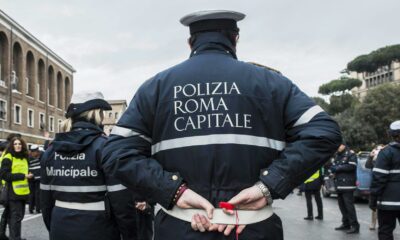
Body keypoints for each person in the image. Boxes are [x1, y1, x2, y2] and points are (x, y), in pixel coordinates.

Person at [102, 10, 341, 240]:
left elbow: (116, 152)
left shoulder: (156, 87)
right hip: (254, 229)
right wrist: (268, 186)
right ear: (235, 39)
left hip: (179, 229)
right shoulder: (272, 83)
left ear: (190, 43)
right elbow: (324, 133)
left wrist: (173, 192)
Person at [40, 91, 137, 240]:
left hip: (60, 227)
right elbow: (121, 203)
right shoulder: (105, 148)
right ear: (98, 114)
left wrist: (54, 227)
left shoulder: (51, 151)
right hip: (98, 228)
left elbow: (45, 203)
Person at [369, 120, 400, 240]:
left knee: (385, 232)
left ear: (392, 134)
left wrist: (373, 199)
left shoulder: (386, 152)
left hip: (388, 203)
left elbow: (378, 179)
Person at [0, 136, 32, 240]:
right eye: (15, 144)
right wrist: (23, 176)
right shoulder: (8, 157)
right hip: (12, 192)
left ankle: (13, 237)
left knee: (15, 217)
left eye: (19, 144)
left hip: (23, 192)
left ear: (22, 145)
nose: (17, 146)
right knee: (16, 218)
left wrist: (30, 176)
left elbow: (26, 172)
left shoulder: (24, 157)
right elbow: (4, 175)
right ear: (11, 146)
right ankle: (15, 238)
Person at [331, 143, 360, 234]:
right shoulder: (337, 155)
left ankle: (355, 226)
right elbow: (333, 166)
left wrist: (337, 168)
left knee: (349, 206)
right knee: (342, 206)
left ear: (344, 145)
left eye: (339, 145)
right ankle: (346, 223)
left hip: (347, 184)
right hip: (339, 184)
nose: (338, 147)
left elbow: (351, 166)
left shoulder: (350, 154)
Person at [365, 144, 384, 230]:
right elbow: (367, 166)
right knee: (374, 205)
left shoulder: (386, 158)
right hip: (375, 184)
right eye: (377, 149)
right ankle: (373, 223)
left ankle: (382, 224)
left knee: (383, 206)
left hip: (384, 185)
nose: (378, 151)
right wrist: (370, 156)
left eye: (380, 149)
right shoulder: (374, 159)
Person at [28, 144, 42, 214]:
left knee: (31, 193)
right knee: (37, 193)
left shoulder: (29, 156)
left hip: (31, 176)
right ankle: (38, 208)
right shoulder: (39, 156)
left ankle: (31, 208)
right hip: (38, 176)